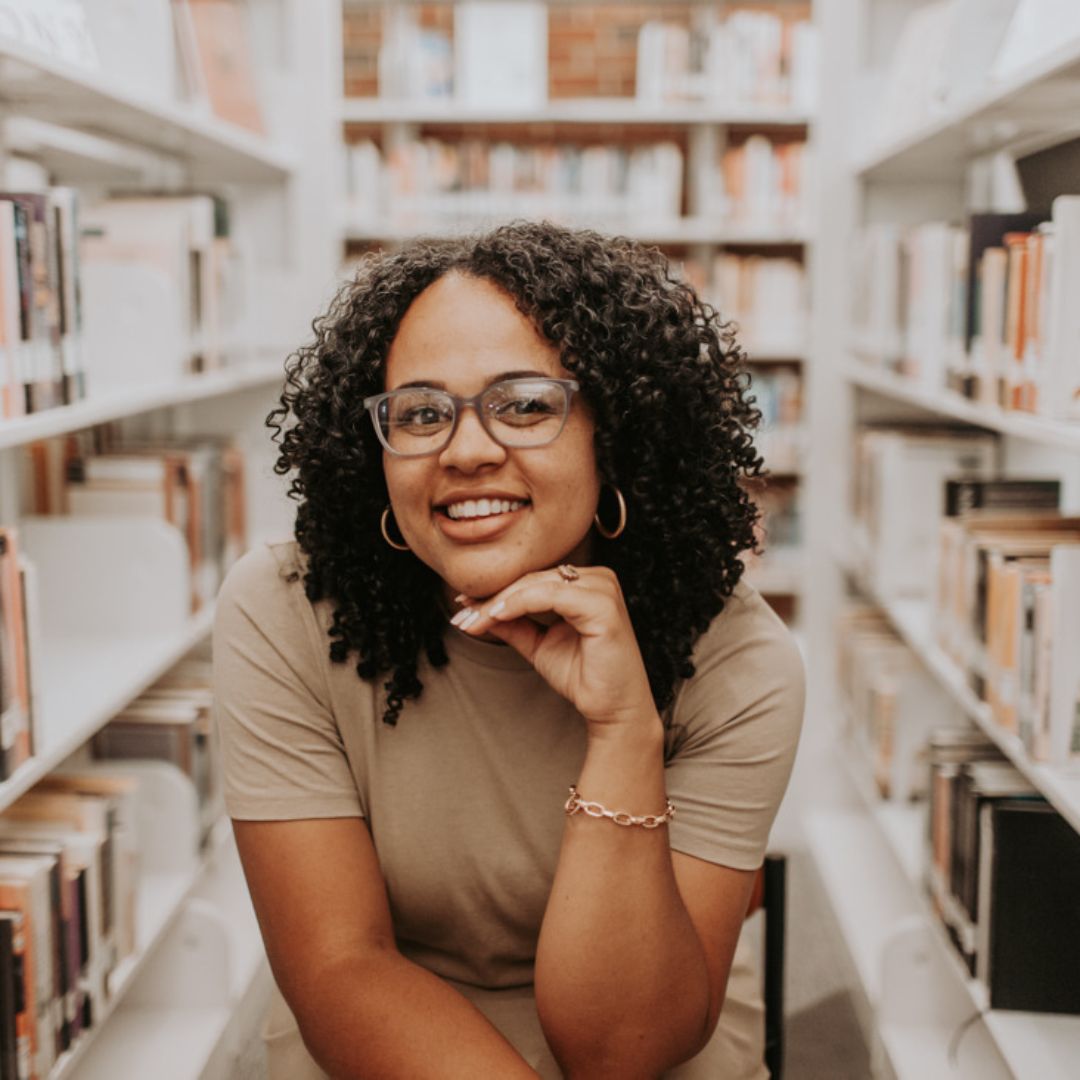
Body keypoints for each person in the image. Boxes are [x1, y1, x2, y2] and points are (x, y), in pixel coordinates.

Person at [213, 220, 804, 1079]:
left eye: (526, 404)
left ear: (618, 432)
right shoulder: (283, 610)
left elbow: (623, 1048)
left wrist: (624, 730)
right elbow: (341, 966)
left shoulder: (739, 659)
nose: (466, 451)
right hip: (382, 1036)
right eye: (420, 412)